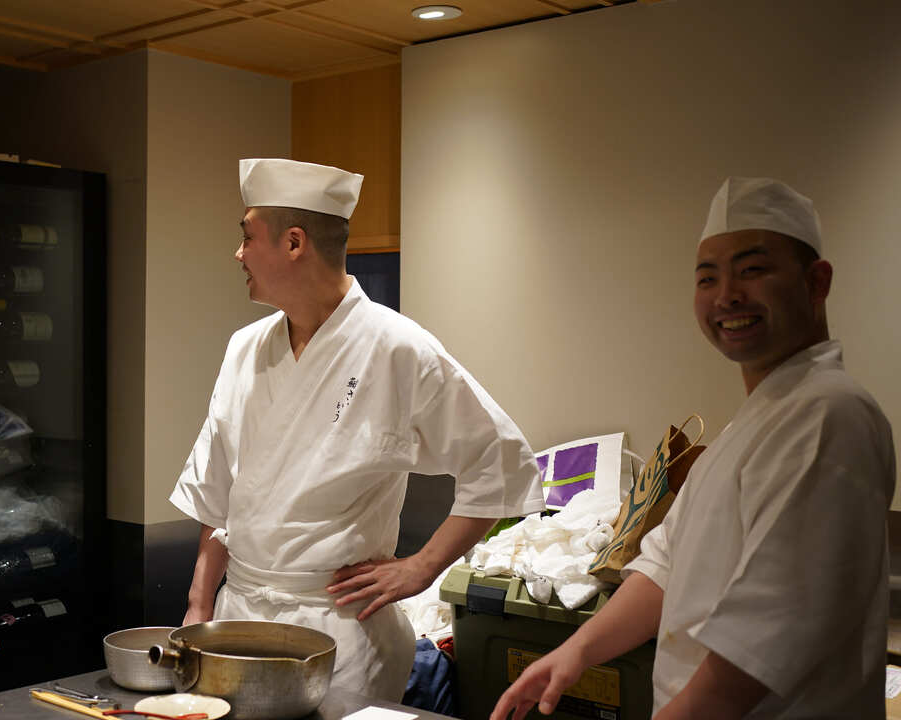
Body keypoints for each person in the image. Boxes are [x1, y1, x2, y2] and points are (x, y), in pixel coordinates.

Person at [492, 177, 895, 720]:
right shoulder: (755, 422)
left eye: (752, 270)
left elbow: (758, 643)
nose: (727, 294)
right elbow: (665, 561)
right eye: (709, 276)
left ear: (816, 282)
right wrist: (575, 652)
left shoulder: (828, 414)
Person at [170, 158, 545, 701]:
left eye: (247, 237)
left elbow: (501, 464)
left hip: (340, 632)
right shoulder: (244, 349)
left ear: (294, 243)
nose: (239, 253)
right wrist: (198, 608)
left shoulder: (397, 347)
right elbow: (216, 495)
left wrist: (421, 569)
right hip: (240, 618)